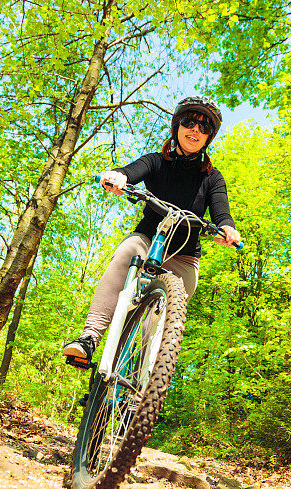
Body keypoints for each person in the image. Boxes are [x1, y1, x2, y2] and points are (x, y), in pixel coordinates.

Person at [63, 95, 242, 369]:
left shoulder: (212, 178)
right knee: (128, 251)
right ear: (177, 127)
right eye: (189, 122)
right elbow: (132, 171)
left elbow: (222, 212)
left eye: (204, 127)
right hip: (148, 241)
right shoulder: (157, 161)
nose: (195, 130)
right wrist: (119, 177)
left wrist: (228, 230)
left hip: (184, 257)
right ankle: (90, 337)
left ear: (209, 137)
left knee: (158, 323)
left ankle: (143, 381)